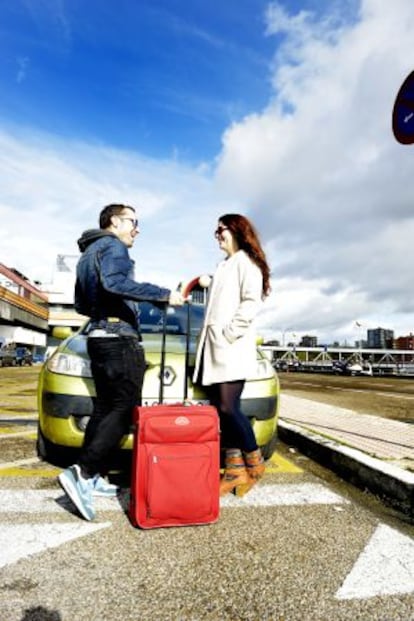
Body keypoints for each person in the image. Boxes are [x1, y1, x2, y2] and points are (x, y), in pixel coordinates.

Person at [58, 203, 183, 520]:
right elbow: (115, 283)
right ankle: (83, 474)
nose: (137, 229)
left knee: (104, 408)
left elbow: (82, 303)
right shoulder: (113, 245)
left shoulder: (89, 252)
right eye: (133, 222)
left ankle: (94, 474)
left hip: (98, 337)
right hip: (117, 339)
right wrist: (163, 294)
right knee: (122, 408)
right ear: (114, 222)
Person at [193, 213, 271, 497]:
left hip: (230, 347)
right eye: (215, 231)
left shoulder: (246, 263)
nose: (217, 235)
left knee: (228, 408)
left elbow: (251, 303)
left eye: (221, 229)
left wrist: (228, 334)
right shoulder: (224, 265)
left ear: (237, 230)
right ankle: (235, 470)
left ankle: (255, 462)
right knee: (221, 411)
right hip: (216, 348)